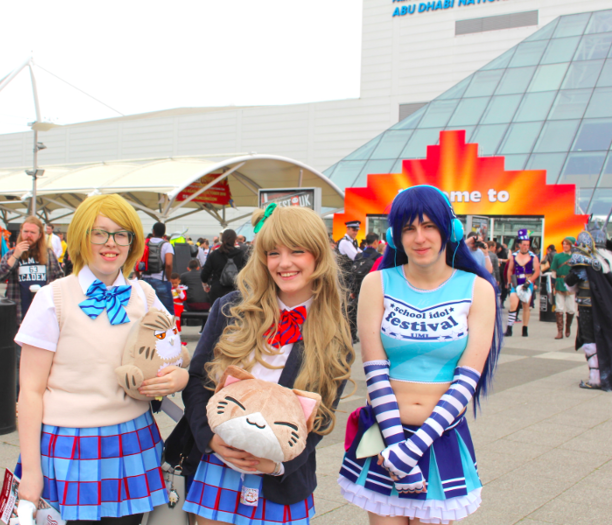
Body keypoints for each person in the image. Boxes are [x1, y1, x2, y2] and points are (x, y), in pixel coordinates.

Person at [14, 194, 189, 523]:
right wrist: (32, 471)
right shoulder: (54, 298)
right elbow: (30, 391)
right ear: (82, 237)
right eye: (100, 233)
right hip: (68, 443)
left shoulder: (145, 295)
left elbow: (175, 353)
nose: (111, 243)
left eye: (121, 234)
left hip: (134, 437)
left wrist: (178, 377)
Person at [174, 204, 353, 525]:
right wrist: (210, 439)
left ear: (318, 256)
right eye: (273, 253)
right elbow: (198, 379)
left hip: (282, 478)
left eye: (297, 251)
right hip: (220, 465)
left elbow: (321, 415)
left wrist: (279, 464)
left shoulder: (333, 329)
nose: (284, 263)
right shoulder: (230, 308)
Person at [338, 185, 501, 525]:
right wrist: (397, 447)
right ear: (396, 236)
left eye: (429, 226)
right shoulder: (377, 283)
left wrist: (412, 451)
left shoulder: (478, 289)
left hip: (439, 438)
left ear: (449, 229)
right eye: (409, 228)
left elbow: (466, 380)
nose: (420, 237)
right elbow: (375, 371)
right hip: (386, 436)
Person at [505, 229, 540, 337]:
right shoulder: (514, 256)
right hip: (516, 282)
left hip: (527, 282)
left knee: (526, 305)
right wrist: (509, 282)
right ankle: (509, 328)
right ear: (519, 245)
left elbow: (537, 271)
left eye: (527, 245)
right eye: (524, 244)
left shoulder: (533, 257)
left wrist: (530, 281)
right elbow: (510, 270)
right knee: (513, 304)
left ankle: (525, 328)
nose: (526, 246)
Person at [201, 229, 246, 305]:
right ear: (235, 240)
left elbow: (204, 274)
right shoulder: (241, 254)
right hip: (236, 291)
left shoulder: (214, 254)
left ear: (222, 239)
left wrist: (205, 285)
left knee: (217, 315)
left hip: (217, 291)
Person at [140, 222, 175, 315]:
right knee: (167, 312)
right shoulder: (166, 245)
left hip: (144, 280)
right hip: (161, 280)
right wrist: (168, 278)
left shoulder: (145, 244)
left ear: (153, 231)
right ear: (164, 233)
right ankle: (168, 329)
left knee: (145, 310)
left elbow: (137, 262)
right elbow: (168, 263)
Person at [551, 236, 576, 340]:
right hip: (559, 282)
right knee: (559, 308)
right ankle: (560, 331)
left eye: (567, 243)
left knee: (571, 309)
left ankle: (568, 327)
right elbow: (553, 271)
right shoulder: (557, 257)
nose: (565, 245)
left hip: (571, 284)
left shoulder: (576, 257)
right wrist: (553, 285)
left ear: (572, 245)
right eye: (564, 243)